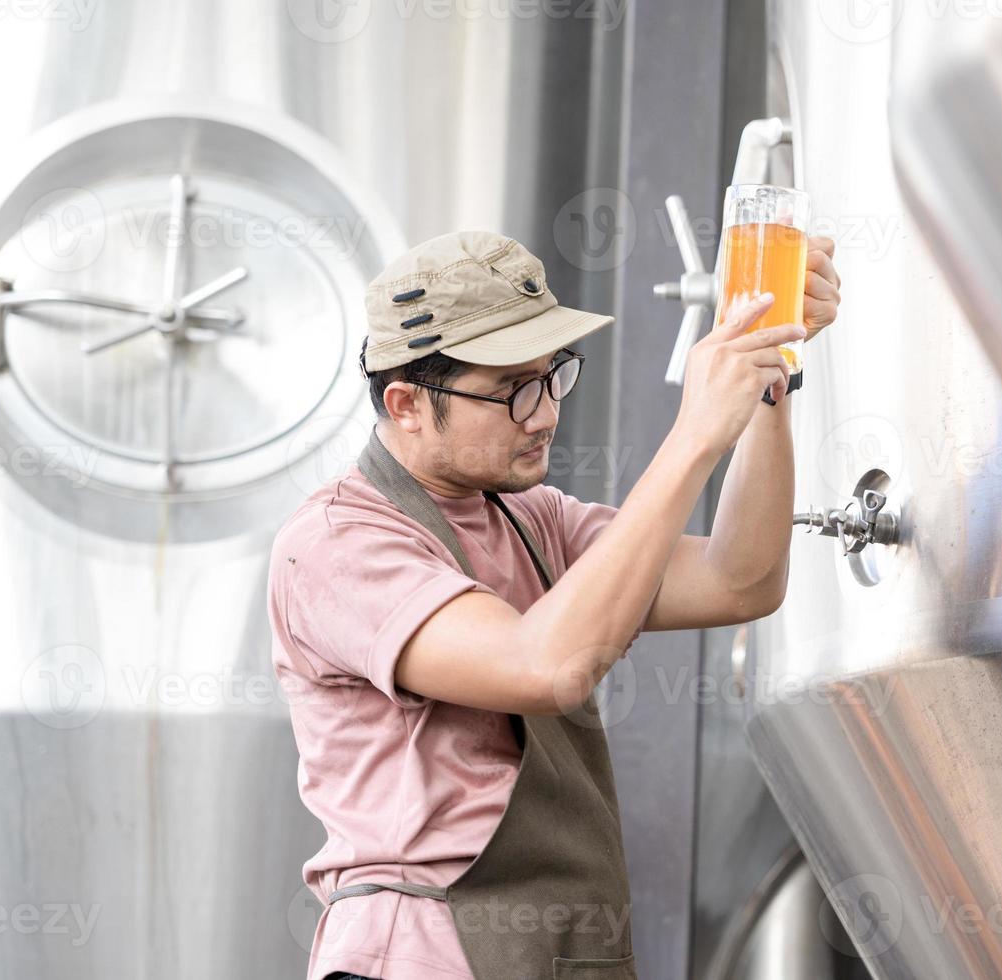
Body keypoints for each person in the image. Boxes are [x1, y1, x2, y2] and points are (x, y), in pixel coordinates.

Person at [267, 229, 840, 979]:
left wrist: (768, 383)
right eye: (510, 389)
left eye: (550, 375)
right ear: (405, 402)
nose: (542, 414)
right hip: (420, 954)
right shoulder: (338, 544)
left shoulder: (533, 518)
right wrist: (695, 434)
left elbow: (742, 580)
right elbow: (543, 669)